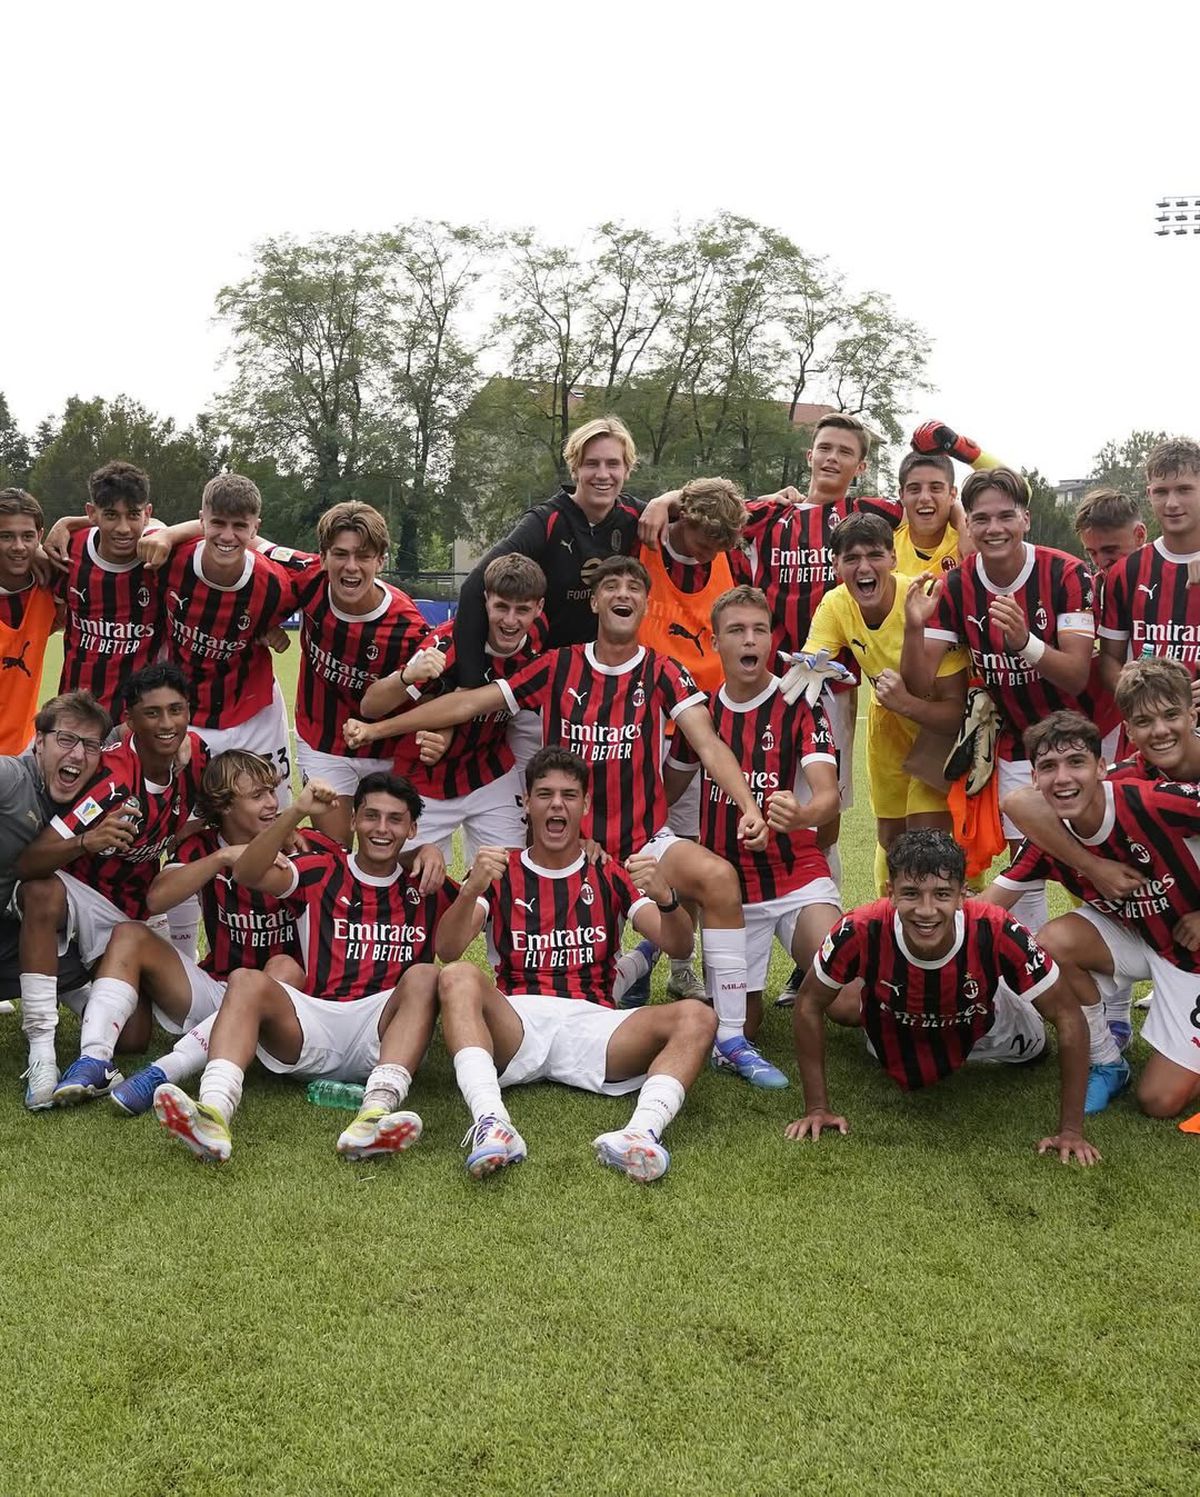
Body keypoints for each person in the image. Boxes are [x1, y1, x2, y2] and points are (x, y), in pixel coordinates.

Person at [348, 555, 785, 1087]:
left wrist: (749, 807)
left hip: (642, 842)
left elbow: (708, 742)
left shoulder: (663, 671)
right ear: (595, 601)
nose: (622, 593)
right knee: (559, 958)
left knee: (718, 878)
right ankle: (598, 981)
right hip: (569, 849)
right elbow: (468, 704)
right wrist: (379, 730)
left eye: (633, 587)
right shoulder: (557, 666)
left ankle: (732, 1038)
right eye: (610, 585)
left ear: (644, 604)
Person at [432, 747, 716, 1182]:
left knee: (698, 1016)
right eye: (544, 794)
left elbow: (678, 943)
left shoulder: (608, 871)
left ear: (584, 805)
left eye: (569, 795)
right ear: (527, 803)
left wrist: (666, 897)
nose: (556, 805)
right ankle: (492, 1122)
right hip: (518, 1021)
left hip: (595, 1024)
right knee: (456, 977)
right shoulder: (501, 869)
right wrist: (471, 889)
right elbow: (448, 949)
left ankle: (640, 1134)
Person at [152, 773, 450, 1164]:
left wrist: (436, 855)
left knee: (426, 975)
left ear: (412, 829)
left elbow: (466, 934)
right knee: (246, 980)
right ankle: (213, 1112)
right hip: (315, 1023)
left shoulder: (428, 883)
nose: (381, 828)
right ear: (353, 820)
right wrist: (295, 812)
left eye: (395, 819)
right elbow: (247, 873)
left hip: (385, 1029)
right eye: (371, 816)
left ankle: (375, 1114)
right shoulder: (322, 869)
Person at [784, 829, 1099, 1165]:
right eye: (911, 893)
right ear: (890, 893)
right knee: (851, 1012)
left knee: (1036, 1049)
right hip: (897, 1029)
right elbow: (809, 1002)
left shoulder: (996, 927)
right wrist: (817, 1108)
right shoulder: (859, 927)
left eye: (942, 894)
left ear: (963, 895)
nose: (927, 910)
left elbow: (1067, 1014)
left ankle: (1004, 997)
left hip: (994, 1030)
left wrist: (1071, 1130)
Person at [901, 466, 1114, 932]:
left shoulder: (1066, 573)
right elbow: (919, 682)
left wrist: (1024, 642)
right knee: (1027, 866)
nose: (993, 528)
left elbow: (1077, 675)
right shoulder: (957, 585)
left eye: (1005, 516)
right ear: (969, 524)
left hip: (1088, 734)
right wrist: (913, 628)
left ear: (1025, 519)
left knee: (1101, 855)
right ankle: (1032, 967)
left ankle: (1115, 973)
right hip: (1018, 740)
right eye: (981, 518)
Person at [80, 750, 340, 1116]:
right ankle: (93, 1059)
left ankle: (165, 1070)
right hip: (221, 986)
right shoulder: (203, 845)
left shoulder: (305, 841)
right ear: (225, 806)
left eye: (272, 791)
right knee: (129, 935)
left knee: (283, 965)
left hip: (286, 999)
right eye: (257, 795)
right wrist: (222, 858)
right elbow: (156, 899)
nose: (271, 803)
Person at [14, 664, 205, 1107]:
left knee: (134, 1038)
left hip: (129, 913)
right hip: (81, 897)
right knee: (40, 891)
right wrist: (88, 840)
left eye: (176, 710)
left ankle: (71, 981)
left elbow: (224, 803)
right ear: (130, 720)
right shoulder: (114, 780)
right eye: (152, 713)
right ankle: (42, 1052)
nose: (167, 724)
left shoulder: (194, 758)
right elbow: (30, 862)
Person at [994, 710, 1200, 1121]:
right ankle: (1107, 1062)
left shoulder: (1151, 801)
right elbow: (988, 907)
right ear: (1034, 778)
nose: (1063, 778)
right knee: (1050, 943)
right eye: (1048, 767)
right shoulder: (1048, 836)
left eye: (1076, 762)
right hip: (1139, 938)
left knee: (1159, 1102)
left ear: (1102, 767)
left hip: (1191, 953)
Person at [665, 585, 842, 1029]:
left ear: (771, 639)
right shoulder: (701, 714)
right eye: (737, 630)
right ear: (715, 641)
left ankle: (814, 986)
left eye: (760, 630)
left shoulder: (799, 702)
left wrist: (801, 816)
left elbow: (829, 797)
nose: (750, 640)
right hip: (730, 895)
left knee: (849, 1001)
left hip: (797, 877)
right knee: (740, 1025)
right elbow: (665, 793)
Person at [804, 512, 969, 880]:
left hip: (939, 733)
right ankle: (890, 912)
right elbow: (809, 668)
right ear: (835, 566)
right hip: (888, 728)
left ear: (893, 558)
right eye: (851, 558)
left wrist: (906, 703)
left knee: (928, 842)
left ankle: (962, 907)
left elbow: (956, 712)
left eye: (875, 555)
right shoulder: (836, 604)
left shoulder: (927, 600)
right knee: (891, 840)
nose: (864, 567)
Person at [357, 553, 547, 860]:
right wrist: (407, 677)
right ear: (485, 600)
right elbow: (370, 706)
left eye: (522, 610)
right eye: (501, 607)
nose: (511, 621)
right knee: (415, 880)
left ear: (539, 608)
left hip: (489, 773)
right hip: (425, 778)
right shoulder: (445, 646)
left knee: (506, 874)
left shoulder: (542, 636)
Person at [635, 476, 745, 1000]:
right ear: (684, 519)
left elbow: (763, 503)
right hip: (637, 720)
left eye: (716, 548)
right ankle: (613, 960)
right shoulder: (643, 533)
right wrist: (664, 499)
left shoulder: (726, 553)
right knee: (625, 844)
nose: (707, 555)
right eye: (702, 543)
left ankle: (678, 966)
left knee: (695, 849)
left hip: (700, 726)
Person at [451, 416, 645, 686]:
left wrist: (666, 502)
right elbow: (473, 587)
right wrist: (469, 682)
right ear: (575, 468)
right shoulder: (546, 520)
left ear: (627, 469)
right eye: (591, 463)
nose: (603, 474)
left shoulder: (637, 515)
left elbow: (692, 512)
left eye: (613, 464)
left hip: (602, 674)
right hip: (541, 673)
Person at [155, 473, 313, 798]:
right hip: (186, 710)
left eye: (240, 526)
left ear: (255, 529)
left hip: (255, 712)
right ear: (201, 520)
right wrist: (66, 524)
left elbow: (325, 570)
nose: (227, 536)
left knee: (271, 810)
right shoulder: (168, 559)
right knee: (186, 815)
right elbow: (133, 526)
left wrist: (269, 629)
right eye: (218, 523)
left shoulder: (276, 584)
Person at [288, 500, 432, 846]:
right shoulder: (308, 578)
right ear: (322, 557)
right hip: (322, 740)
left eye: (363, 556)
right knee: (334, 851)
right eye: (340, 554)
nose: (351, 567)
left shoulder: (408, 627)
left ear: (380, 561)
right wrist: (169, 534)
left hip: (386, 751)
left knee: (383, 854)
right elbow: (240, 533)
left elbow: (434, 697)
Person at [0, 691, 110, 1019]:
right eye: (66, 739)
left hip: (7, 933)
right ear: (39, 742)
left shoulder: (87, 801)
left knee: (85, 964)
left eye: (90, 745)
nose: (78, 754)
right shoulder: (11, 778)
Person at [1098, 438, 1200, 706]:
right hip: (1148, 725)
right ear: (1149, 494)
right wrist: (1131, 688)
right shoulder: (1126, 572)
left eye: (1184, 489)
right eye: (1161, 492)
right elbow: (1109, 659)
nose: (1172, 503)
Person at [0, 488, 58, 754]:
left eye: (27, 536)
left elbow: (142, 526)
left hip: (20, 754)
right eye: (6, 536)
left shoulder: (50, 590)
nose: (18, 546)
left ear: (40, 536)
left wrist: (67, 523)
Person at [891, 448, 962, 579]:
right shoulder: (885, 547)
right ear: (902, 496)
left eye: (935, 488)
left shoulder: (968, 544)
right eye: (914, 489)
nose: (924, 498)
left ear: (952, 495)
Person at [1074, 487, 1147, 577]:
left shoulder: (1163, 578)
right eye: (1092, 553)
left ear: (1139, 535)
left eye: (1110, 551)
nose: (1101, 563)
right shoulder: (1094, 584)